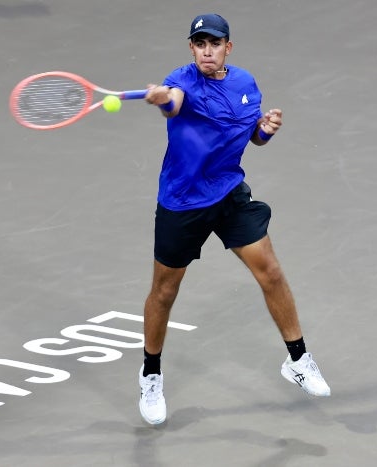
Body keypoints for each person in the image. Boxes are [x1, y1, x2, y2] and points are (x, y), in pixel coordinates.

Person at [137, 13, 330, 426]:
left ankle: (298, 359)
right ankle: (151, 372)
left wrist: (266, 130)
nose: (207, 51)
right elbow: (174, 103)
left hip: (227, 192)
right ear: (191, 48)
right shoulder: (181, 79)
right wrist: (161, 99)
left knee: (271, 272)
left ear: (228, 47)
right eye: (200, 44)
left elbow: (252, 137)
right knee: (164, 292)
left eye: (215, 43)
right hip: (183, 201)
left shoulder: (245, 83)